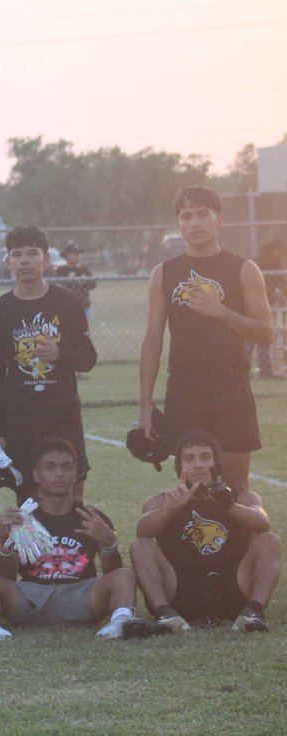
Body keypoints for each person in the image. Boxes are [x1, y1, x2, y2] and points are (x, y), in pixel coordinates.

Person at [139, 186, 274, 495]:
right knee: (192, 484)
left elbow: (266, 333)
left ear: (219, 220)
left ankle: (248, 544)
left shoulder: (244, 269)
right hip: (184, 390)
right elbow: (153, 341)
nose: (194, 223)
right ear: (179, 223)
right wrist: (145, 405)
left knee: (236, 483)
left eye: (202, 214)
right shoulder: (164, 273)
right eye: (186, 216)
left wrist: (222, 312)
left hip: (231, 387)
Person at [0, 438, 138, 642]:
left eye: (66, 467)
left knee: (125, 575)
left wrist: (107, 541)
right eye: (50, 467)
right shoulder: (23, 517)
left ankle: (122, 622)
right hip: (31, 598)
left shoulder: (91, 516)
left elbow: (113, 573)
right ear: (37, 475)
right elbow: (7, 577)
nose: (59, 474)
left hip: (80, 596)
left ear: (75, 473)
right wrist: (5, 543)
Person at [0, 225, 97, 501]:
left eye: (32, 253)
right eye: (17, 254)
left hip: (63, 414)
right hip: (21, 419)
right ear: (8, 262)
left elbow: (88, 359)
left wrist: (60, 354)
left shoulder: (68, 303)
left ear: (46, 259)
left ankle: (73, 546)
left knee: (72, 490)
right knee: (29, 499)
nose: (24, 260)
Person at [129, 429, 281, 632]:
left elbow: (263, 524)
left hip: (233, 584)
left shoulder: (242, 498)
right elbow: (142, 531)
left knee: (270, 540)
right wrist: (169, 509)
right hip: (181, 588)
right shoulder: (162, 500)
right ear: (180, 465)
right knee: (140, 546)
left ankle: (253, 611)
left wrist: (229, 505)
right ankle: (164, 614)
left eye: (205, 457)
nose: (198, 464)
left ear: (216, 464)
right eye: (189, 459)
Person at [245, 239, 285, 379]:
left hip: (264, 307)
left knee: (262, 340)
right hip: (251, 307)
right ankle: (250, 371)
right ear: (272, 249)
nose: (282, 253)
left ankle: (265, 371)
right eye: (279, 250)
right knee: (251, 341)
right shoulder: (256, 263)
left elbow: (282, 287)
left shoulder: (278, 266)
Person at [53, 242, 96, 320]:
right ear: (66, 255)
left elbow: (93, 285)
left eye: (78, 254)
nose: (77, 256)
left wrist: (85, 272)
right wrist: (79, 272)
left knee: (83, 331)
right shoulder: (62, 270)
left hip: (84, 306)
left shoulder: (83, 269)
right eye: (75, 254)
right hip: (68, 307)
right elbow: (70, 286)